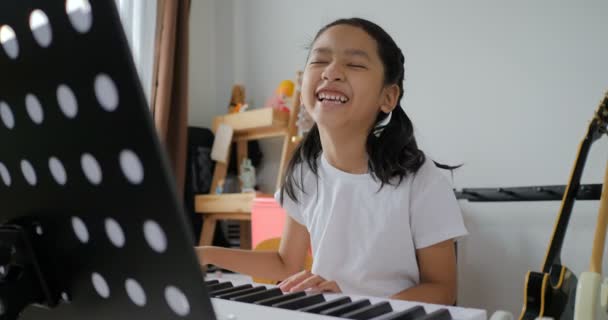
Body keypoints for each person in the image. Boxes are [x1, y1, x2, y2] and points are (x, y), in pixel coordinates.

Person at [196, 17, 467, 305]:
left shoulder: (420, 179)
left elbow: (441, 290)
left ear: (387, 97)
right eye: (320, 61)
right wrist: (206, 254)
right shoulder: (304, 173)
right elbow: (285, 263)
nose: (331, 72)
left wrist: (354, 305)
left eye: (355, 64)